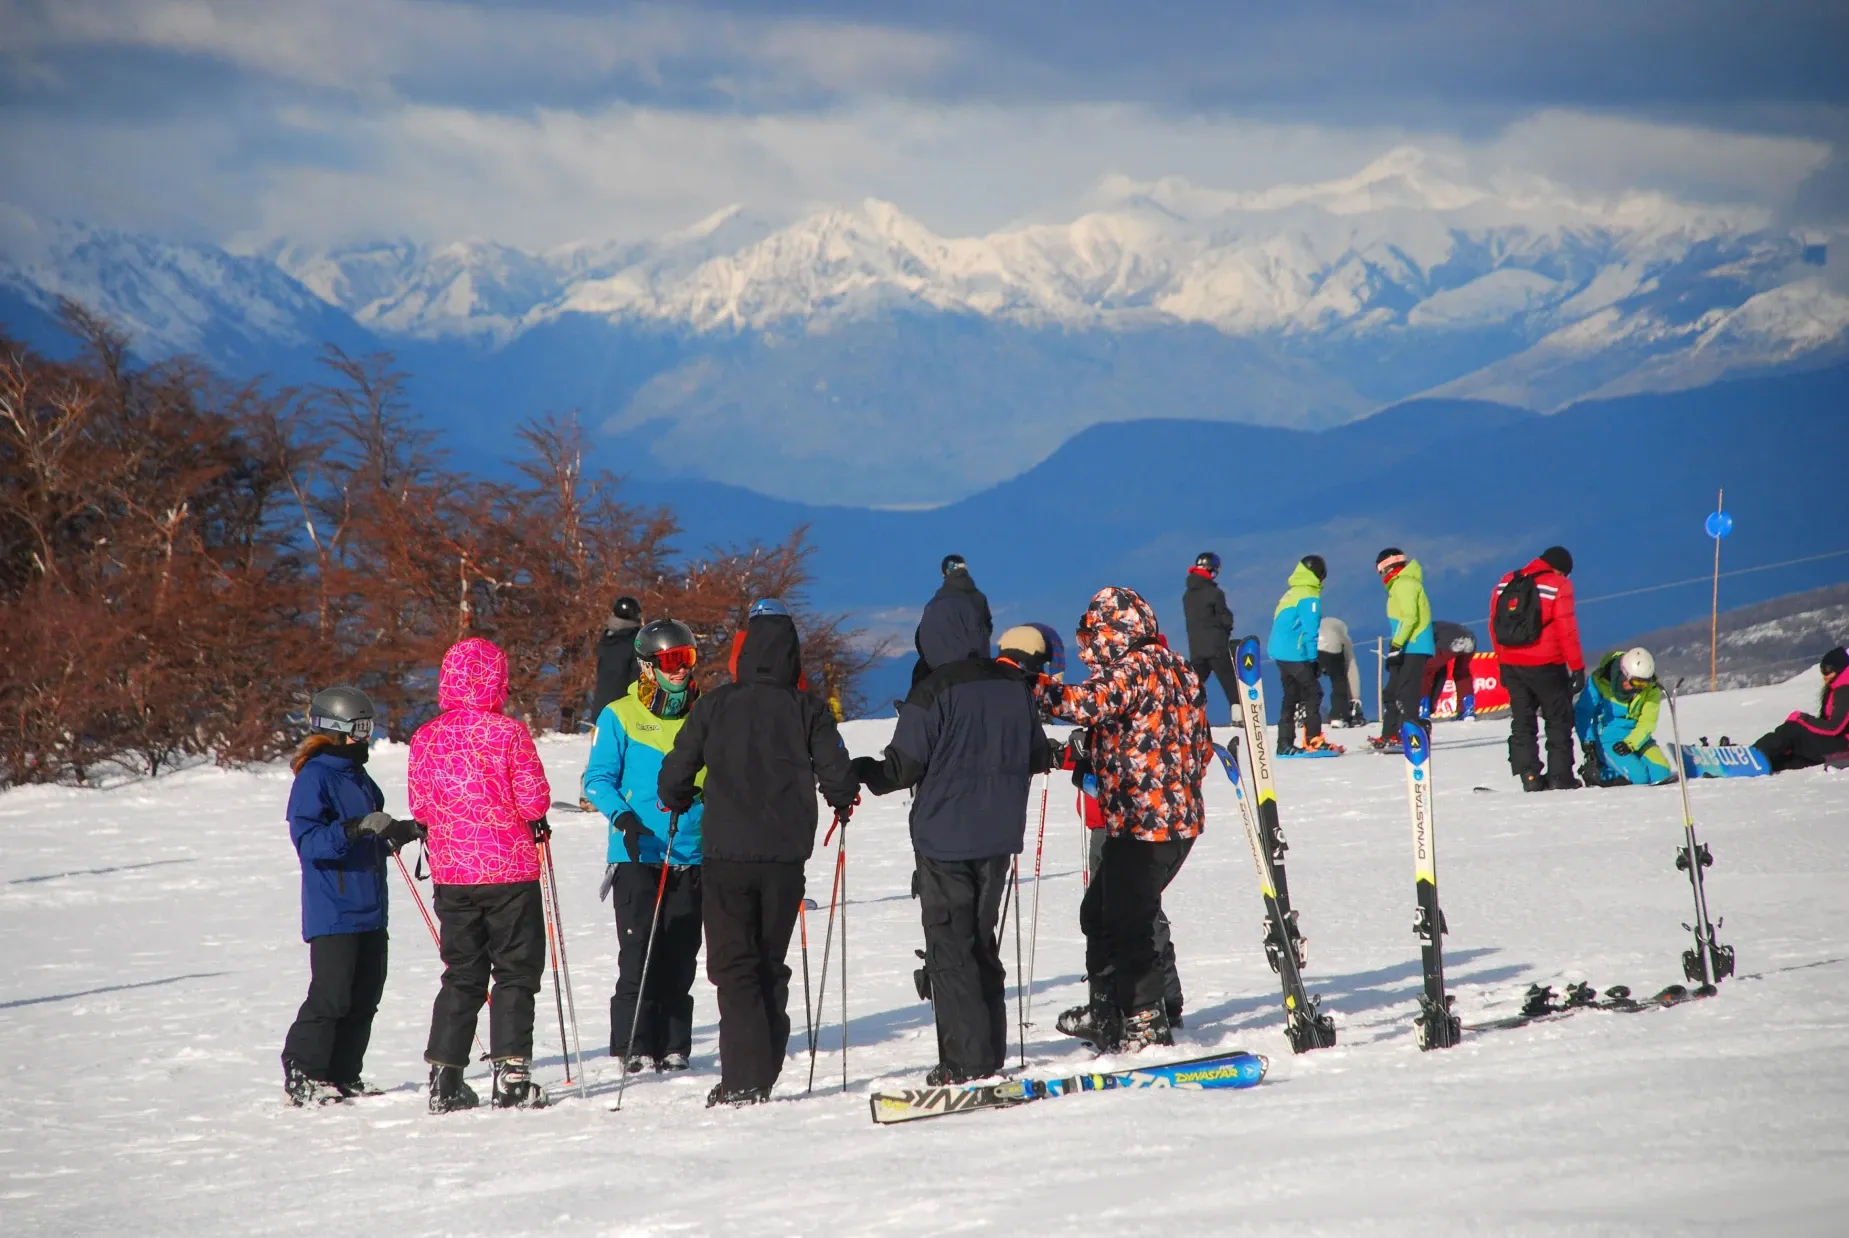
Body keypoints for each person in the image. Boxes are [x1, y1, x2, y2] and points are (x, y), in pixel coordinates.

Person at [659, 608, 859, 1107]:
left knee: (734, 966)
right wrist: (840, 798)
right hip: (786, 858)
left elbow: (676, 771)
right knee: (770, 961)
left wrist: (677, 796)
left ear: (743, 655)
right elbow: (839, 774)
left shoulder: (715, 706)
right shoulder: (807, 708)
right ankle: (762, 1071)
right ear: (792, 656)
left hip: (727, 855)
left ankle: (744, 1080)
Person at [855, 620, 1053, 1084]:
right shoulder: (1012, 684)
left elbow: (902, 768)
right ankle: (989, 1051)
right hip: (1000, 833)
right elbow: (1037, 754)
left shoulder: (934, 688)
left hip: (944, 836)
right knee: (981, 942)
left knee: (950, 945)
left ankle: (965, 1061)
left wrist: (864, 771)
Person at [1037, 587, 1212, 1053]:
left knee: (1126, 920)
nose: (1084, 649)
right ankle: (1107, 1011)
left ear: (1117, 632)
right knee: (1099, 913)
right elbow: (1196, 744)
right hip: (1171, 818)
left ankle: (1144, 1020)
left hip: (1145, 821)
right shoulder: (1181, 670)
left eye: (1092, 636)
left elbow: (1081, 702)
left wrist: (1024, 682)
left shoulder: (1136, 667)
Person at [409, 638, 554, 1113]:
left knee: (462, 973)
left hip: (453, 875)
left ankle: (445, 1078)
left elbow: (421, 808)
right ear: (498, 679)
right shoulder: (508, 733)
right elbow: (533, 801)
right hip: (509, 870)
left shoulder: (426, 737)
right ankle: (511, 1076)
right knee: (515, 970)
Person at [280, 687, 421, 1107]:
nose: (368, 736)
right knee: (332, 995)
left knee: (365, 996)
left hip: (370, 905)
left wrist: (398, 830)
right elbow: (309, 842)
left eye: (370, 727)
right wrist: (355, 827)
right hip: (334, 907)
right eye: (360, 728)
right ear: (336, 730)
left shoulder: (358, 775)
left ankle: (343, 1073)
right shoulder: (315, 776)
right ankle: (304, 1072)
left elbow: (370, 833)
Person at [585, 618, 705, 1073]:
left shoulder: (704, 712)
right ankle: (632, 1044)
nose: (680, 670)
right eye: (671, 660)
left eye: (687, 659)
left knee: (681, 955)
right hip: (638, 854)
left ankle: (674, 1044)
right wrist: (625, 818)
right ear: (648, 666)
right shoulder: (618, 715)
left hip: (690, 852)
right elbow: (597, 779)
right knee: (639, 953)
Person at [1489, 546, 1585, 792]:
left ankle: (1530, 776)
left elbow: (1494, 624)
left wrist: (1501, 660)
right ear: (1561, 569)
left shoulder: (1507, 581)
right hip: (1547, 665)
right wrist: (1576, 667)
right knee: (1558, 719)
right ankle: (1560, 777)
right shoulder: (1559, 586)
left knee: (1522, 722)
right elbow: (1567, 631)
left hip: (1512, 664)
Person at [1575, 647, 1674, 787]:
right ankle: (1599, 773)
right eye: (1636, 683)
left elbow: (1647, 722)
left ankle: (1617, 767)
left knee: (1662, 774)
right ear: (1623, 674)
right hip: (1608, 739)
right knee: (1640, 778)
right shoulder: (1600, 681)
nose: (1639, 688)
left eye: (1644, 683)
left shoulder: (1651, 689)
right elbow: (1583, 712)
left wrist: (1631, 743)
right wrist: (1588, 741)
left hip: (1636, 738)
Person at [1267, 555, 1336, 754]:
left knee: (1291, 695)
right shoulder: (1309, 596)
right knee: (1314, 692)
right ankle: (1313, 739)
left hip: (1280, 651)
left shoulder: (1292, 592)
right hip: (1294, 652)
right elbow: (1310, 631)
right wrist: (1314, 659)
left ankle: (1284, 743)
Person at [1369, 548, 1435, 752]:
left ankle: (1409, 735)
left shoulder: (1404, 584)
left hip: (1413, 645)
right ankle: (1390, 734)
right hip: (1407, 645)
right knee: (1392, 692)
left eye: (1382, 571)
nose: (1382, 577)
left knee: (1406, 693)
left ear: (1389, 567)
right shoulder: (1400, 584)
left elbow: (1409, 617)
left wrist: (1396, 645)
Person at [582, 594, 643, 808]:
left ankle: (589, 793)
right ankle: (621, 793)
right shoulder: (636, 641)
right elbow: (637, 674)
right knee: (626, 751)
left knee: (601, 751)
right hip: (624, 705)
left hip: (601, 706)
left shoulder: (606, 638)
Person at [1753, 646, 1849, 773]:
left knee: (1793, 729)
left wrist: (1803, 720)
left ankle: (1755, 754)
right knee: (1791, 754)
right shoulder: (1836, 688)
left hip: (1841, 746)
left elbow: (1834, 727)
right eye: (1822, 670)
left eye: (1827, 670)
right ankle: (1756, 762)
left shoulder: (1845, 690)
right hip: (1836, 744)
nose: (1824, 676)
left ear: (1839, 669)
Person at [911, 554, 993, 687]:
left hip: (940, 671)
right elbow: (984, 630)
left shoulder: (935, 603)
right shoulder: (979, 598)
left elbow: (923, 636)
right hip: (978, 668)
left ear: (945, 573)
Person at [1183, 551, 1242, 725]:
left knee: (1193, 687)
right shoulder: (1215, 593)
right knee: (1231, 683)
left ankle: (1185, 717)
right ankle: (1238, 717)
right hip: (1217, 646)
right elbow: (1224, 618)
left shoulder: (1187, 595)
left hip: (1196, 648)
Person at [1422, 621, 1479, 721]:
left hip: (1450, 642)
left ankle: (1423, 710)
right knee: (1462, 673)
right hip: (1470, 639)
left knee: (1426, 672)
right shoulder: (1439, 626)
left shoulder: (1423, 630)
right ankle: (1467, 710)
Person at [1318, 615, 1367, 728]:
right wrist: (1355, 698)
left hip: (1312, 646)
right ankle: (1338, 715)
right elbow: (1351, 667)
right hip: (1332, 648)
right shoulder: (1343, 635)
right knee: (1339, 681)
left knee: (1310, 682)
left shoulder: (1316, 625)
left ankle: (1304, 712)